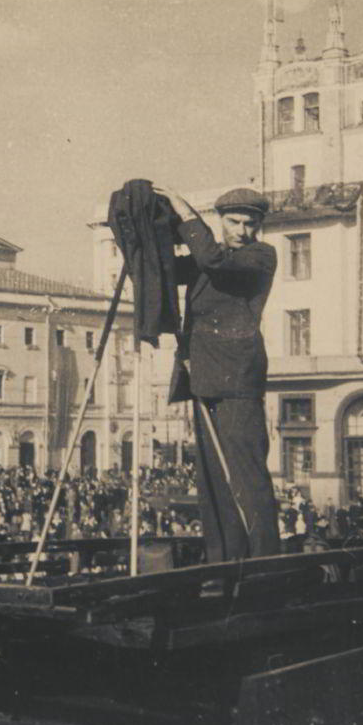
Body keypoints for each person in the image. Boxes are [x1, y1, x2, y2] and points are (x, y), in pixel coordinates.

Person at [153, 185, 281, 565]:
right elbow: (167, 270)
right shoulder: (213, 256)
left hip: (238, 381)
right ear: (221, 221)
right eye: (234, 222)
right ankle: (224, 560)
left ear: (258, 226)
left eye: (249, 223)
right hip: (203, 377)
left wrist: (184, 210)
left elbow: (211, 260)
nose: (241, 230)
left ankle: (264, 564)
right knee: (213, 481)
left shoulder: (260, 256)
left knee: (247, 475)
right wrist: (149, 233)